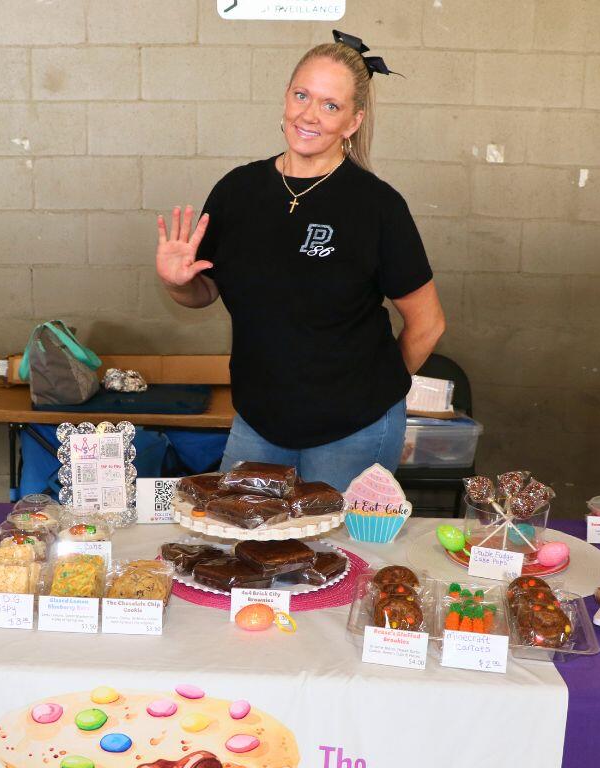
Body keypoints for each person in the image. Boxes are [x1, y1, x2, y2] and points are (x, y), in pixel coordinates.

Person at [155, 31, 446, 493]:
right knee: (241, 552)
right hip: (258, 422)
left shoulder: (377, 206)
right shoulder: (238, 190)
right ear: (286, 99)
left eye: (330, 105)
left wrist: (373, 393)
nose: (309, 114)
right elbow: (204, 290)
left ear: (353, 121)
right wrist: (176, 283)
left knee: (336, 558)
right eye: (302, 95)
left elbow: (427, 324)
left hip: (354, 431)